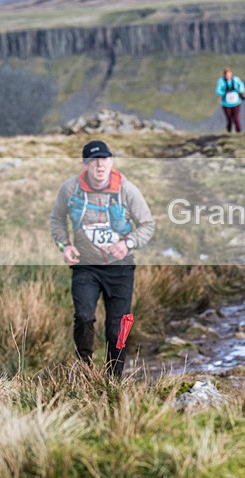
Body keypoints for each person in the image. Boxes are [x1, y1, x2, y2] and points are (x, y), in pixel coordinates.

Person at [50, 140, 155, 377]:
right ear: (84, 164)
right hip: (86, 267)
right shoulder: (70, 189)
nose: (100, 165)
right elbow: (56, 219)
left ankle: (113, 378)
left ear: (112, 162)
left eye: (104, 159)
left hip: (121, 268)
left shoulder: (127, 190)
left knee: (118, 328)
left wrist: (127, 243)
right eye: (94, 160)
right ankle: (85, 368)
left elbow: (147, 225)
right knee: (84, 317)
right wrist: (64, 246)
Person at [215, 67, 245, 133]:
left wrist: (240, 91)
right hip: (226, 104)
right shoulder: (221, 81)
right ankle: (229, 132)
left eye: (229, 75)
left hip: (236, 103)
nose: (228, 76)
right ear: (224, 75)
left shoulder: (236, 79)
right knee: (229, 119)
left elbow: (241, 86)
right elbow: (217, 92)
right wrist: (224, 92)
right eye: (226, 75)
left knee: (236, 118)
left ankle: (239, 132)